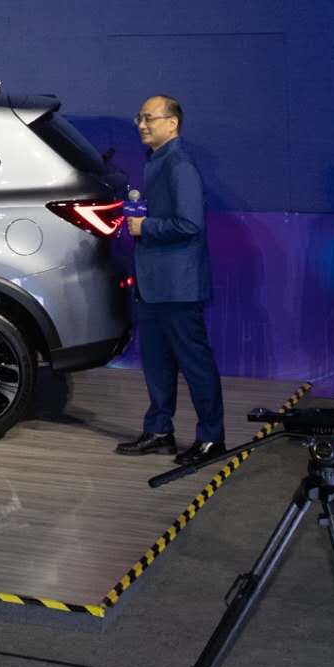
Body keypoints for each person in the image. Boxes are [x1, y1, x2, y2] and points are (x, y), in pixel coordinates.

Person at [115, 95, 226, 465]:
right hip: (154, 285)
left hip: (178, 287)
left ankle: (211, 438)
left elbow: (190, 224)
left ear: (172, 123)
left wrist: (145, 227)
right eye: (139, 118)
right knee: (157, 363)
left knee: (195, 364)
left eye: (149, 118)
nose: (141, 125)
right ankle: (160, 431)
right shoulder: (158, 162)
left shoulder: (180, 165)